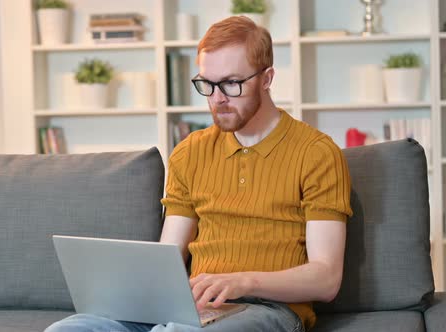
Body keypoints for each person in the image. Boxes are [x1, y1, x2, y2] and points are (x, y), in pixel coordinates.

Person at [45, 15, 352, 332]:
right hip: (194, 308)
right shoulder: (191, 152)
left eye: (232, 83)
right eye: (207, 84)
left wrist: (242, 281)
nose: (217, 99)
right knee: (71, 329)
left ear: (267, 78)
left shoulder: (316, 153)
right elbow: (168, 256)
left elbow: (326, 278)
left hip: (269, 310)